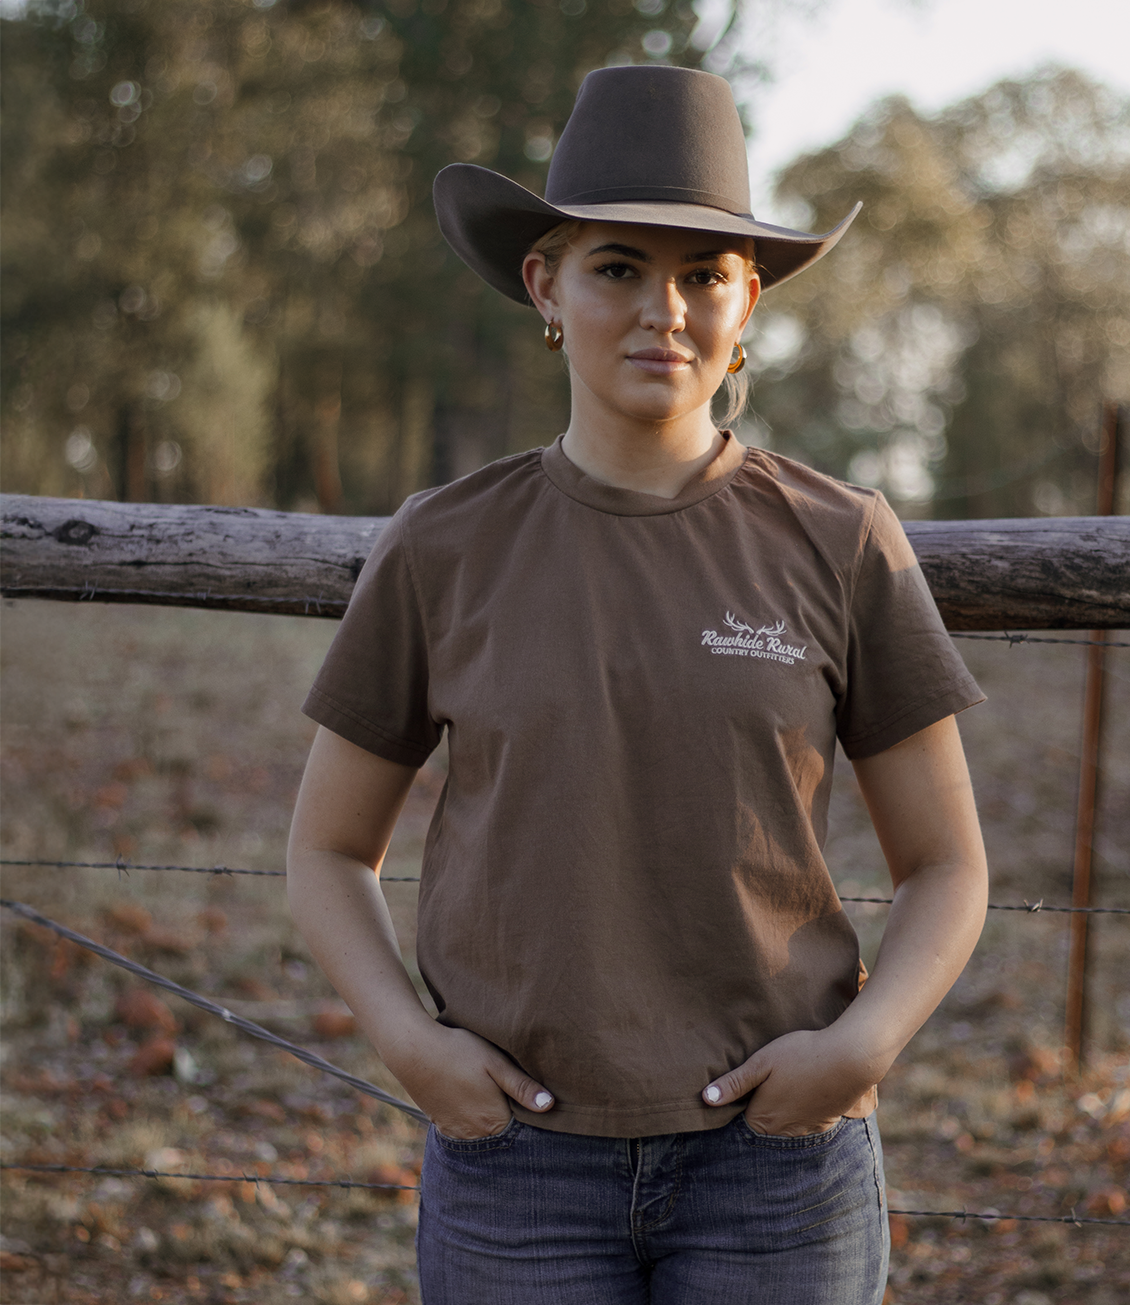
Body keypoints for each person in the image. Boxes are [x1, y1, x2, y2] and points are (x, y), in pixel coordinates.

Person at [287, 64, 988, 1305]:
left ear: (747, 302)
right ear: (544, 285)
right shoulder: (444, 545)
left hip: (777, 1169)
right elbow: (329, 848)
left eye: (703, 274)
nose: (664, 309)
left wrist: (859, 1048)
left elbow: (948, 862)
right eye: (619, 266)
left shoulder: (839, 538)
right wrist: (409, 1046)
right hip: (519, 1166)